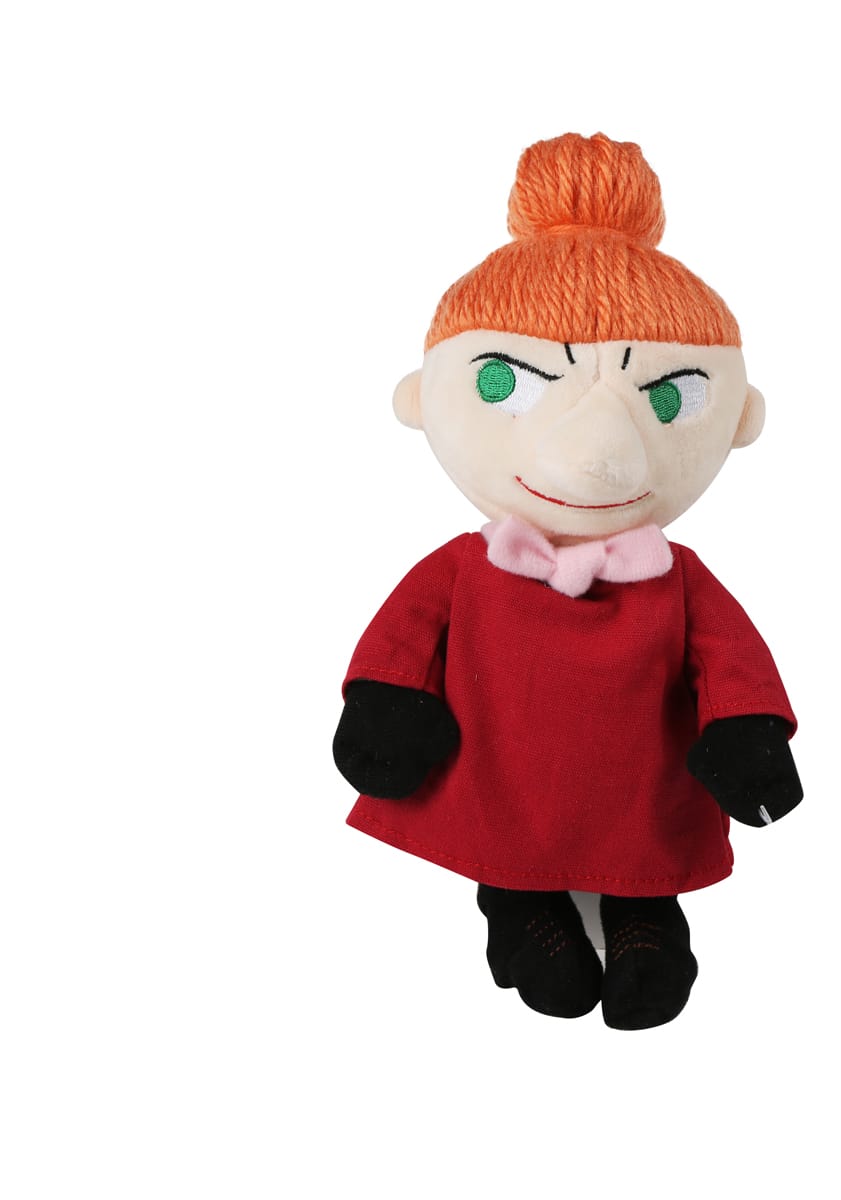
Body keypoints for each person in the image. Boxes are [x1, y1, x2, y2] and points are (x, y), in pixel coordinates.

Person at [334, 132, 803, 1030]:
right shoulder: (463, 569)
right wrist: (386, 705)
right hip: (497, 775)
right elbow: (405, 639)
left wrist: (747, 731)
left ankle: (645, 926)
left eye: (667, 397)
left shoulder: (679, 582)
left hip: (641, 786)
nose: (598, 450)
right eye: (509, 383)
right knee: (508, 856)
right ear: (422, 398)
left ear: (738, 417)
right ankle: (522, 913)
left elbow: (732, 662)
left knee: (644, 860)